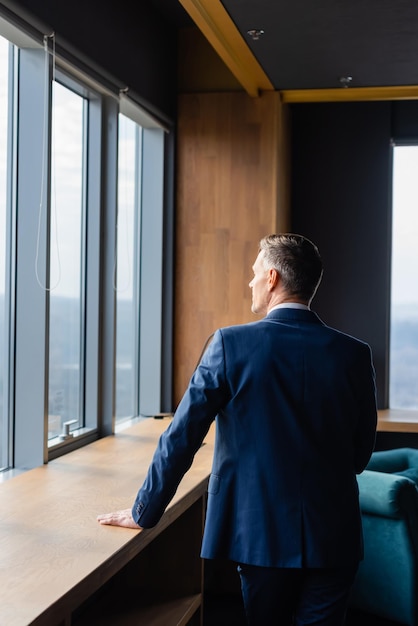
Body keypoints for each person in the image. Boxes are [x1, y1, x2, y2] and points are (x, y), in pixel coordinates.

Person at [97, 233, 377, 626]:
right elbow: (361, 454)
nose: (251, 281)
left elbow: (182, 436)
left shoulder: (230, 344)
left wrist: (145, 511)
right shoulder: (354, 353)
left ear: (273, 278)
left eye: (255, 272)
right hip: (335, 534)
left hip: (259, 532)